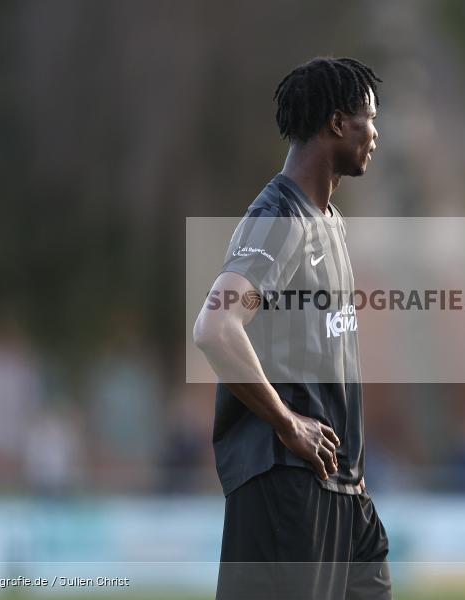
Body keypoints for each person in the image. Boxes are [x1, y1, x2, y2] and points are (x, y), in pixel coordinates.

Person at [193, 57, 391, 599]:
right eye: (368, 119)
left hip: (342, 491)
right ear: (335, 124)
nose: (375, 134)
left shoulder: (327, 221)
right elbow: (215, 327)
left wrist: (351, 465)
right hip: (287, 487)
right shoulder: (278, 218)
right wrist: (286, 422)